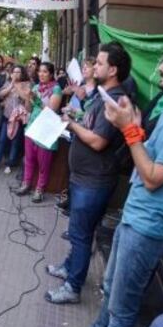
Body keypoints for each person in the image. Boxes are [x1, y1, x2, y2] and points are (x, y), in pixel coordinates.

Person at [49, 39, 163, 327]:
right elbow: (145, 150)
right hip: (133, 217)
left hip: (148, 228)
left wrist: (128, 129)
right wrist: (134, 129)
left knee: (123, 308)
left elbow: (151, 177)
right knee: (110, 286)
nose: (161, 67)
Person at [45, 43, 131, 305]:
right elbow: (90, 124)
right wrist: (78, 115)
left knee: (81, 235)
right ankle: (70, 267)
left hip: (93, 182)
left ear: (113, 69)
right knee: (79, 231)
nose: (94, 67)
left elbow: (97, 141)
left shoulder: (115, 100)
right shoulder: (103, 94)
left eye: (100, 63)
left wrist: (71, 123)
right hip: (83, 178)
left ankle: (73, 287)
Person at [15, 62, 63, 203]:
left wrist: (35, 98)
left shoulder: (56, 89)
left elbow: (50, 110)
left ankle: (39, 190)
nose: (41, 74)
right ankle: (26, 184)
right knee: (29, 159)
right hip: (32, 127)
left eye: (45, 72)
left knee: (43, 164)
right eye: (40, 72)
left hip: (46, 130)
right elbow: (29, 109)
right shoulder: (36, 87)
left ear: (51, 74)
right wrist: (28, 97)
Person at [0, 64, 30, 174]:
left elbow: (26, 98)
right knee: (2, 139)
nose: (16, 74)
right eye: (14, 72)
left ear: (22, 73)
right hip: (7, 116)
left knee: (15, 141)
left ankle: (10, 164)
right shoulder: (8, 82)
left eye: (18, 72)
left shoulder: (26, 84)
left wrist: (17, 86)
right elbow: (0, 94)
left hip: (18, 118)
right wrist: (11, 85)